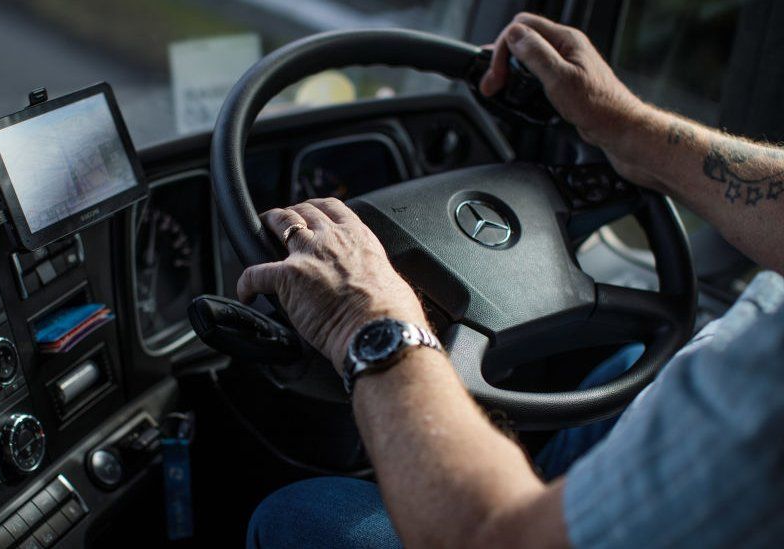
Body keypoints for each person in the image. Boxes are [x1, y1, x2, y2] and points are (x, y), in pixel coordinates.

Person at [242, 11, 784, 549]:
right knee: (625, 369)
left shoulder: (764, 399)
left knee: (298, 514)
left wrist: (363, 314)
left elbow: (493, 539)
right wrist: (625, 127)